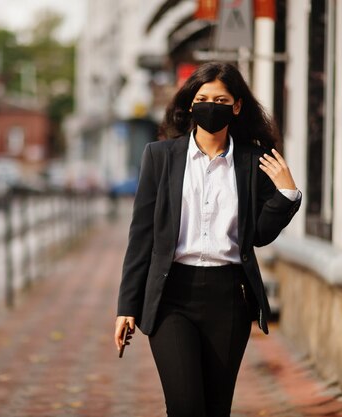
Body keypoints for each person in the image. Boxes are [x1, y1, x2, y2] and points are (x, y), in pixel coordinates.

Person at [113, 62, 302, 417]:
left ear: (237, 106)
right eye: (202, 97)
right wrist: (127, 304)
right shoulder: (160, 156)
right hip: (171, 296)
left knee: (216, 409)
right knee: (186, 407)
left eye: (220, 98)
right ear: (190, 103)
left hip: (228, 298)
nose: (210, 105)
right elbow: (141, 236)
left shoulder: (254, 160)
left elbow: (258, 236)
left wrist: (285, 195)